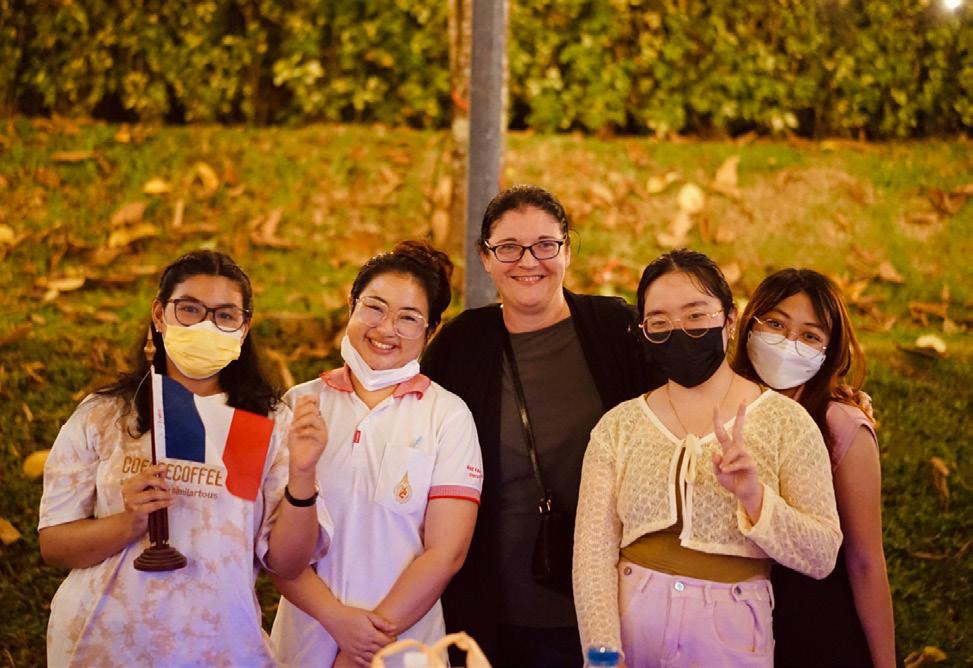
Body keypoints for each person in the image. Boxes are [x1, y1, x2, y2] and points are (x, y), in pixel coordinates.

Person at [39, 250, 332, 667]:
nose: (206, 326)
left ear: (244, 327)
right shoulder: (105, 415)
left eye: (225, 315)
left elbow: (286, 562)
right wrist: (128, 523)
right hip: (104, 644)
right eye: (190, 309)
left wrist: (303, 475)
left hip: (218, 646)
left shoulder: (263, 423)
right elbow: (54, 545)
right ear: (160, 314)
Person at [421, 185, 663, 666]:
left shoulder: (615, 328)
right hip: (492, 605)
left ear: (567, 250)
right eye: (509, 247)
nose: (528, 261)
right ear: (485, 258)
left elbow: (685, 396)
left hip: (606, 603)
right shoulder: (462, 344)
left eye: (545, 245)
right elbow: (406, 411)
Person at [573, 249, 843, 668]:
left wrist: (754, 497)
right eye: (660, 322)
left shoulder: (787, 423)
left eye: (696, 316)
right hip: (633, 622)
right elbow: (592, 556)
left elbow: (822, 555)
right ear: (644, 332)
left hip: (732, 632)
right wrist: (603, 655)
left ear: (730, 319)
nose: (679, 330)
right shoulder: (618, 426)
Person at [270, 240, 483, 668]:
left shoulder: (447, 415)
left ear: (432, 330)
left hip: (404, 649)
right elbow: (274, 550)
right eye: (375, 308)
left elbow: (446, 553)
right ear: (351, 304)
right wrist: (336, 620)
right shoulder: (298, 406)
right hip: (303, 643)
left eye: (409, 318)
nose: (386, 329)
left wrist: (361, 648)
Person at [731, 268, 895, 668]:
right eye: (775, 324)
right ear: (749, 324)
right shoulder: (717, 405)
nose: (788, 343)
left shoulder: (841, 425)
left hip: (814, 627)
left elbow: (864, 559)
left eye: (809, 336)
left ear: (828, 351)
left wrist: (885, 662)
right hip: (730, 624)